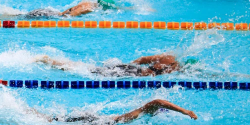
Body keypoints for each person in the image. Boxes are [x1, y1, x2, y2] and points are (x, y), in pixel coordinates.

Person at [28, 99, 197, 125]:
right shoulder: (141, 112)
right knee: (51, 121)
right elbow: (157, 102)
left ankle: (34, 114)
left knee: (55, 120)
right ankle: (32, 114)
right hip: (97, 121)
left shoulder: (140, 115)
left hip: (98, 120)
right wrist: (184, 111)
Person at [35, 53, 199, 77]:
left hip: (129, 69)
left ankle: (52, 61)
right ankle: (50, 60)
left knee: (91, 69)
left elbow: (142, 59)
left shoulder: (168, 57)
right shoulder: (173, 67)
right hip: (131, 74)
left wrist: (127, 65)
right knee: (91, 72)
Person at [0, 0, 121, 18]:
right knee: (13, 17)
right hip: (48, 15)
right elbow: (80, 10)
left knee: (15, 14)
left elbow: (79, 7)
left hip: (48, 11)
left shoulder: (88, 3)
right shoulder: (87, 7)